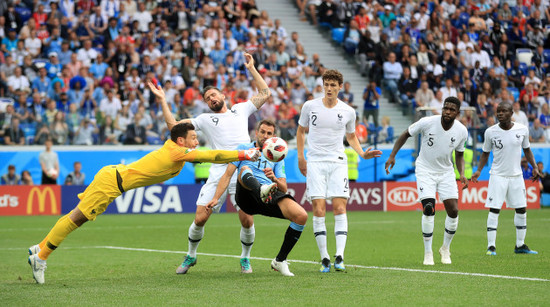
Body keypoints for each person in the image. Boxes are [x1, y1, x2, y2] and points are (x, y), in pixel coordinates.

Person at [28, 119, 261, 284]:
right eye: (193, 138)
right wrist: (243, 154)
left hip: (112, 178)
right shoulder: (177, 152)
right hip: (112, 183)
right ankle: (41, 257)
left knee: (76, 216)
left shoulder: (176, 147)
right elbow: (213, 155)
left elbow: (191, 141)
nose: (196, 142)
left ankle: (40, 247)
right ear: (181, 140)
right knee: (76, 218)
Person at [151, 53, 271, 274]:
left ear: (223, 95)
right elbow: (174, 127)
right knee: (200, 217)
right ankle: (191, 255)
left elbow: (265, 93)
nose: (211, 99)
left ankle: (245, 259)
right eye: (207, 98)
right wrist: (162, 100)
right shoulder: (204, 119)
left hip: (243, 169)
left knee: (246, 219)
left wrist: (252, 68)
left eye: (214, 95)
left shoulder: (241, 109)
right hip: (218, 171)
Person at [297, 69, 382, 272]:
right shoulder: (310, 106)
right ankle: (325, 257)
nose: (329, 88)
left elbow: (351, 136)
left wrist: (362, 153)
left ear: (340, 88)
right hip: (315, 162)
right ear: (322, 85)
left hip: (337, 163)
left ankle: (340, 257)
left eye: (333, 85)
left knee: (340, 209)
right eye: (326, 84)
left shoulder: (348, 111)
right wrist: (301, 157)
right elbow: (301, 131)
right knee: (318, 209)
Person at [207, 120, 308, 276]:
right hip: (246, 194)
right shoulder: (243, 149)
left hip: (269, 194)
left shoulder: (277, 156)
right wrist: (216, 198)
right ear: (256, 132)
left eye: (269, 133)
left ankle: (280, 260)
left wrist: (274, 178)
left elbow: (284, 188)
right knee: (245, 168)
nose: (265, 135)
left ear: (273, 136)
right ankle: (261, 189)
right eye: (262, 132)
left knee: (301, 216)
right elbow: (227, 175)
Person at [385, 96, 469, 265]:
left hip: (446, 172)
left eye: (452, 109)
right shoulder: (427, 122)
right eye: (446, 108)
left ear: (457, 113)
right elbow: (405, 134)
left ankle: (445, 248)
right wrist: (392, 155)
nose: (447, 111)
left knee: (453, 211)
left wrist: (461, 173)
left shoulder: (462, 131)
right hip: (425, 170)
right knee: (429, 208)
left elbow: (459, 154)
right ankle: (428, 252)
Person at [471, 102, 540, 256]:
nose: (500, 114)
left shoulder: (522, 130)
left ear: (511, 113)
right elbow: (485, 153)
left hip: (516, 176)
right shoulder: (490, 132)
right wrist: (479, 170)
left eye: (504, 111)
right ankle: (491, 247)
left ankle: (520, 245)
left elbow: (527, 150)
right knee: (494, 209)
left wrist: (534, 167)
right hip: (498, 175)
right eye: (498, 111)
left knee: (521, 209)